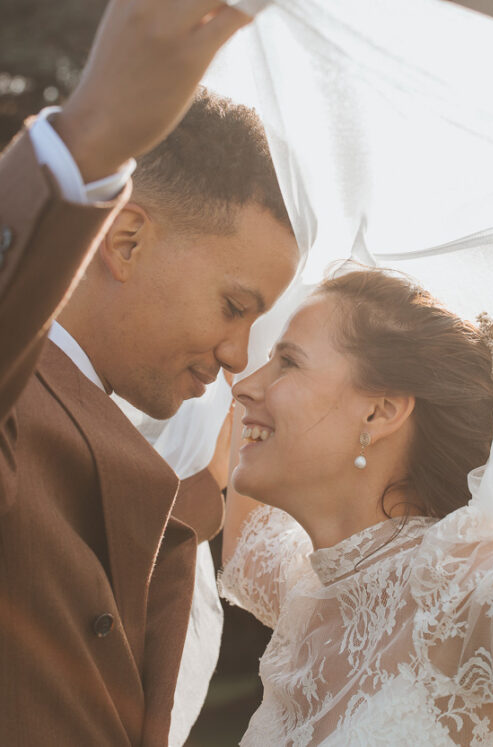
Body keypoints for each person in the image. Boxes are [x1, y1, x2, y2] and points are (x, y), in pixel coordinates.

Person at [0, 1, 299, 744]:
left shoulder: (173, 487)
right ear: (126, 240)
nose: (237, 358)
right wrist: (89, 139)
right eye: (233, 306)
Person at [221, 267, 493, 746]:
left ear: (379, 413)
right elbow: (243, 555)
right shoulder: (308, 590)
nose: (244, 386)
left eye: (288, 363)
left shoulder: (465, 585)